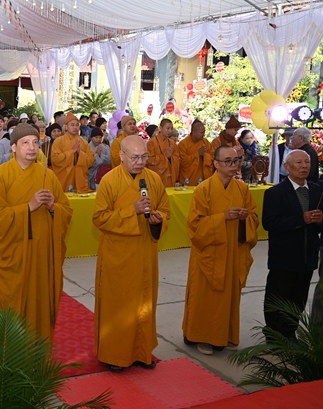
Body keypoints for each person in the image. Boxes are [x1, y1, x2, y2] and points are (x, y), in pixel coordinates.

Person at [0, 124, 72, 341]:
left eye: (35, 142)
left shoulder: (48, 175)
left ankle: (38, 353)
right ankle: (9, 355)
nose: (32, 147)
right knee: (11, 303)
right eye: (25, 143)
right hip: (13, 254)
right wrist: (28, 207)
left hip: (41, 254)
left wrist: (53, 208)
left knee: (39, 302)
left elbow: (66, 210)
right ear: (13, 147)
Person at [93, 135, 169, 372]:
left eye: (144, 156)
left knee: (143, 304)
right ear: (121, 156)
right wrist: (131, 210)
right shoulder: (109, 181)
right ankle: (114, 355)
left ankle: (141, 352)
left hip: (145, 252)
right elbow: (99, 218)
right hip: (118, 254)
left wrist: (159, 219)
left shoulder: (153, 179)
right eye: (134, 157)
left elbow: (165, 209)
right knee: (119, 305)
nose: (140, 162)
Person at [182, 146, 259, 355]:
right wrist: (222, 218)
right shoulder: (203, 189)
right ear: (216, 164)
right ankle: (201, 336)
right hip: (208, 253)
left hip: (232, 251)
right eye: (228, 161)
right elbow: (195, 226)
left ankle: (225, 334)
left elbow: (254, 217)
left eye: (236, 161)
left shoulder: (242, 189)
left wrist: (244, 219)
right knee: (206, 297)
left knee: (229, 295)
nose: (233, 165)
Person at [262, 149, 322, 341]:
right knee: (278, 296)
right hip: (284, 256)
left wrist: (320, 220)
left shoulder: (317, 191)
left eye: (307, 162)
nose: (304, 166)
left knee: (299, 297)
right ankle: (273, 335)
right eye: (299, 162)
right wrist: (301, 219)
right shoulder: (275, 193)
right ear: (286, 167)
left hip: (308, 255)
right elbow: (269, 223)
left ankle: (290, 332)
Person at [51, 112, 95, 193]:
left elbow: (91, 160)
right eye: (72, 125)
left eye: (77, 125)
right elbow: (55, 159)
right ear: (66, 127)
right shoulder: (58, 141)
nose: (75, 127)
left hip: (80, 181)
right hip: (64, 180)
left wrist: (80, 153)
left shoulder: (84, 142)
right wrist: (72, 152)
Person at [178, 119, 214, 186]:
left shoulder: (205, 142)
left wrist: (205, 155)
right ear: (194, 132)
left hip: (203, 179)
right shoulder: (183, 144)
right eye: (202, 132)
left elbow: (213, 156)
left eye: (204, 132)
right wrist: (198, 153)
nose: (203, 134)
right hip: (188, 179)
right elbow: (183, 162)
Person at [146, 118, 180, 187]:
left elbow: (178, 159)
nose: (170, 131)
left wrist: (170, 158)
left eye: (171, 128)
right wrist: (165, 157)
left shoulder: (172, 143)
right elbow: (148, 160)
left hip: (170, 177)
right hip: (157, 177)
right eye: (168, 128)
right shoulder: (151, 143)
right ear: (160, 128)